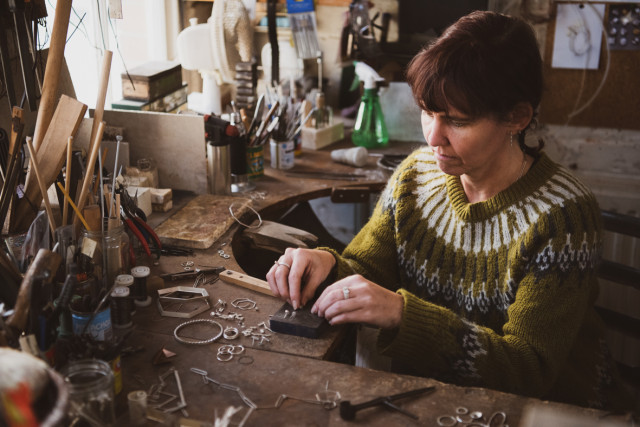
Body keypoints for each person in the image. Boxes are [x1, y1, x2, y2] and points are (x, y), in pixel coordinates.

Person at [266, 11, 633, 411]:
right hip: (440, 401)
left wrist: (402, 314)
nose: (434, 137)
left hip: (553, 411)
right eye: (427, 111)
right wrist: (325, 264)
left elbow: (529, 369)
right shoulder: (415, 177)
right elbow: (366, 269)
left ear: (517, 117)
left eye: (457, 121)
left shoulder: (563, 217)